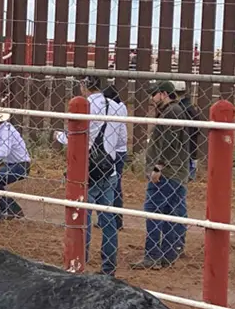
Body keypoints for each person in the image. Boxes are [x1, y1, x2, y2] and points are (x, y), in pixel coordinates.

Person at [133, 81, 190, 270]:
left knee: (153, 210)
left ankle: (152, 255)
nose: (151, 98)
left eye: (154, 94)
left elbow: (169, 142)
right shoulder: (176, 110)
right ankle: (168, 254)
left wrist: (158, 167)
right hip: (177, 171)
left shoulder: (171, 112)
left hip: (167, 171)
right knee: (170, 213)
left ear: (164, 94)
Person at [77, 76, 126, 276]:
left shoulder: (84, 106)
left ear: (84, 86)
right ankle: (108, 267)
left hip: (87, 169)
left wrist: (58, 136)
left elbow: (75, 135)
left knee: (84, 216)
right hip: (109, 168)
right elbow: (122, 139)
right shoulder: (116, 107)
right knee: (108, 220)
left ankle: (80, 260)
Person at [0, 110, 31, 219]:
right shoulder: (4, 127)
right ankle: (12, 210)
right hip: (16, 164)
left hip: (19, 166)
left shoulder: (5, 131)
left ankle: (10, 210)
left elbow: (4, 152)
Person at [101, 84, 129, 231]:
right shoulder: (121, 107)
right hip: (119, 150)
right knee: (114, 186)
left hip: (113, 151)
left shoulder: (112, 108)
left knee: (110, 186)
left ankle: (112, 220)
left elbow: (119, 135)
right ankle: (114, 220)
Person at [174, 80, 201, 182]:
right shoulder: (189, 106)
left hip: (186, 139)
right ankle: (190, 172)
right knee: (191, 154)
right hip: (191, 137)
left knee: (187, 155)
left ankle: (189, 174)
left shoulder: (181, 108)